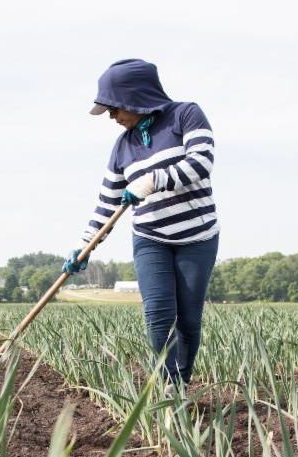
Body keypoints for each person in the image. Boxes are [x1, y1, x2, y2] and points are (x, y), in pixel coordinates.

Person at [62, 59, 219, 394]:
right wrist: (86, 243)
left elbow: (202, 162)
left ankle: (182, 379)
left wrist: (153, 181)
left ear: (135, 98)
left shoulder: (186, 115)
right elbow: (107, 202)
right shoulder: (122, 147)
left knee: (189, 320)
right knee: (159, 316)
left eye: (114, 109)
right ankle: (170, 389)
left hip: (197, 235)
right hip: (150, 238)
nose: (112, 118)